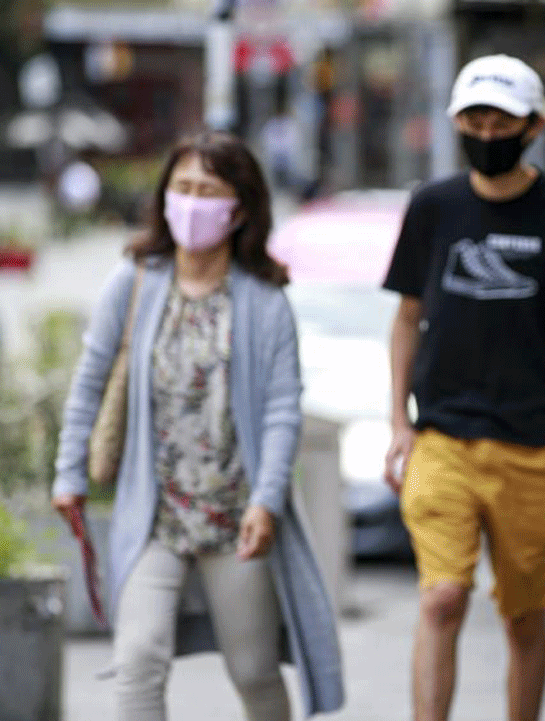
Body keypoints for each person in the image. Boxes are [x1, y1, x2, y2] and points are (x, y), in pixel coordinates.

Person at [50, 131, 344, 721]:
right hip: (153, 516)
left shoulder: (264, 300)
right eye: (181, 188)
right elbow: (89, 382)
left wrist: (266, 502)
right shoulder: (133, 282)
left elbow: (284, 406)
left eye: (208, 191)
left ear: (238, 209)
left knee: (255, 670)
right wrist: (68, 471)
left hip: (237, 518)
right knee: (137, 659)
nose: (191, 203)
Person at [382, 54, 545, 721]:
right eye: (474, 118)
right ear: (456, 123)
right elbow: (406, 318)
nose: (487, 132)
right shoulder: (432, 207)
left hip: (537, 449)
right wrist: (398, 423)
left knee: (524, 615)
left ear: (533, 126)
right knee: (441, 596)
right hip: (443, 439)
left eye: (501, 120)